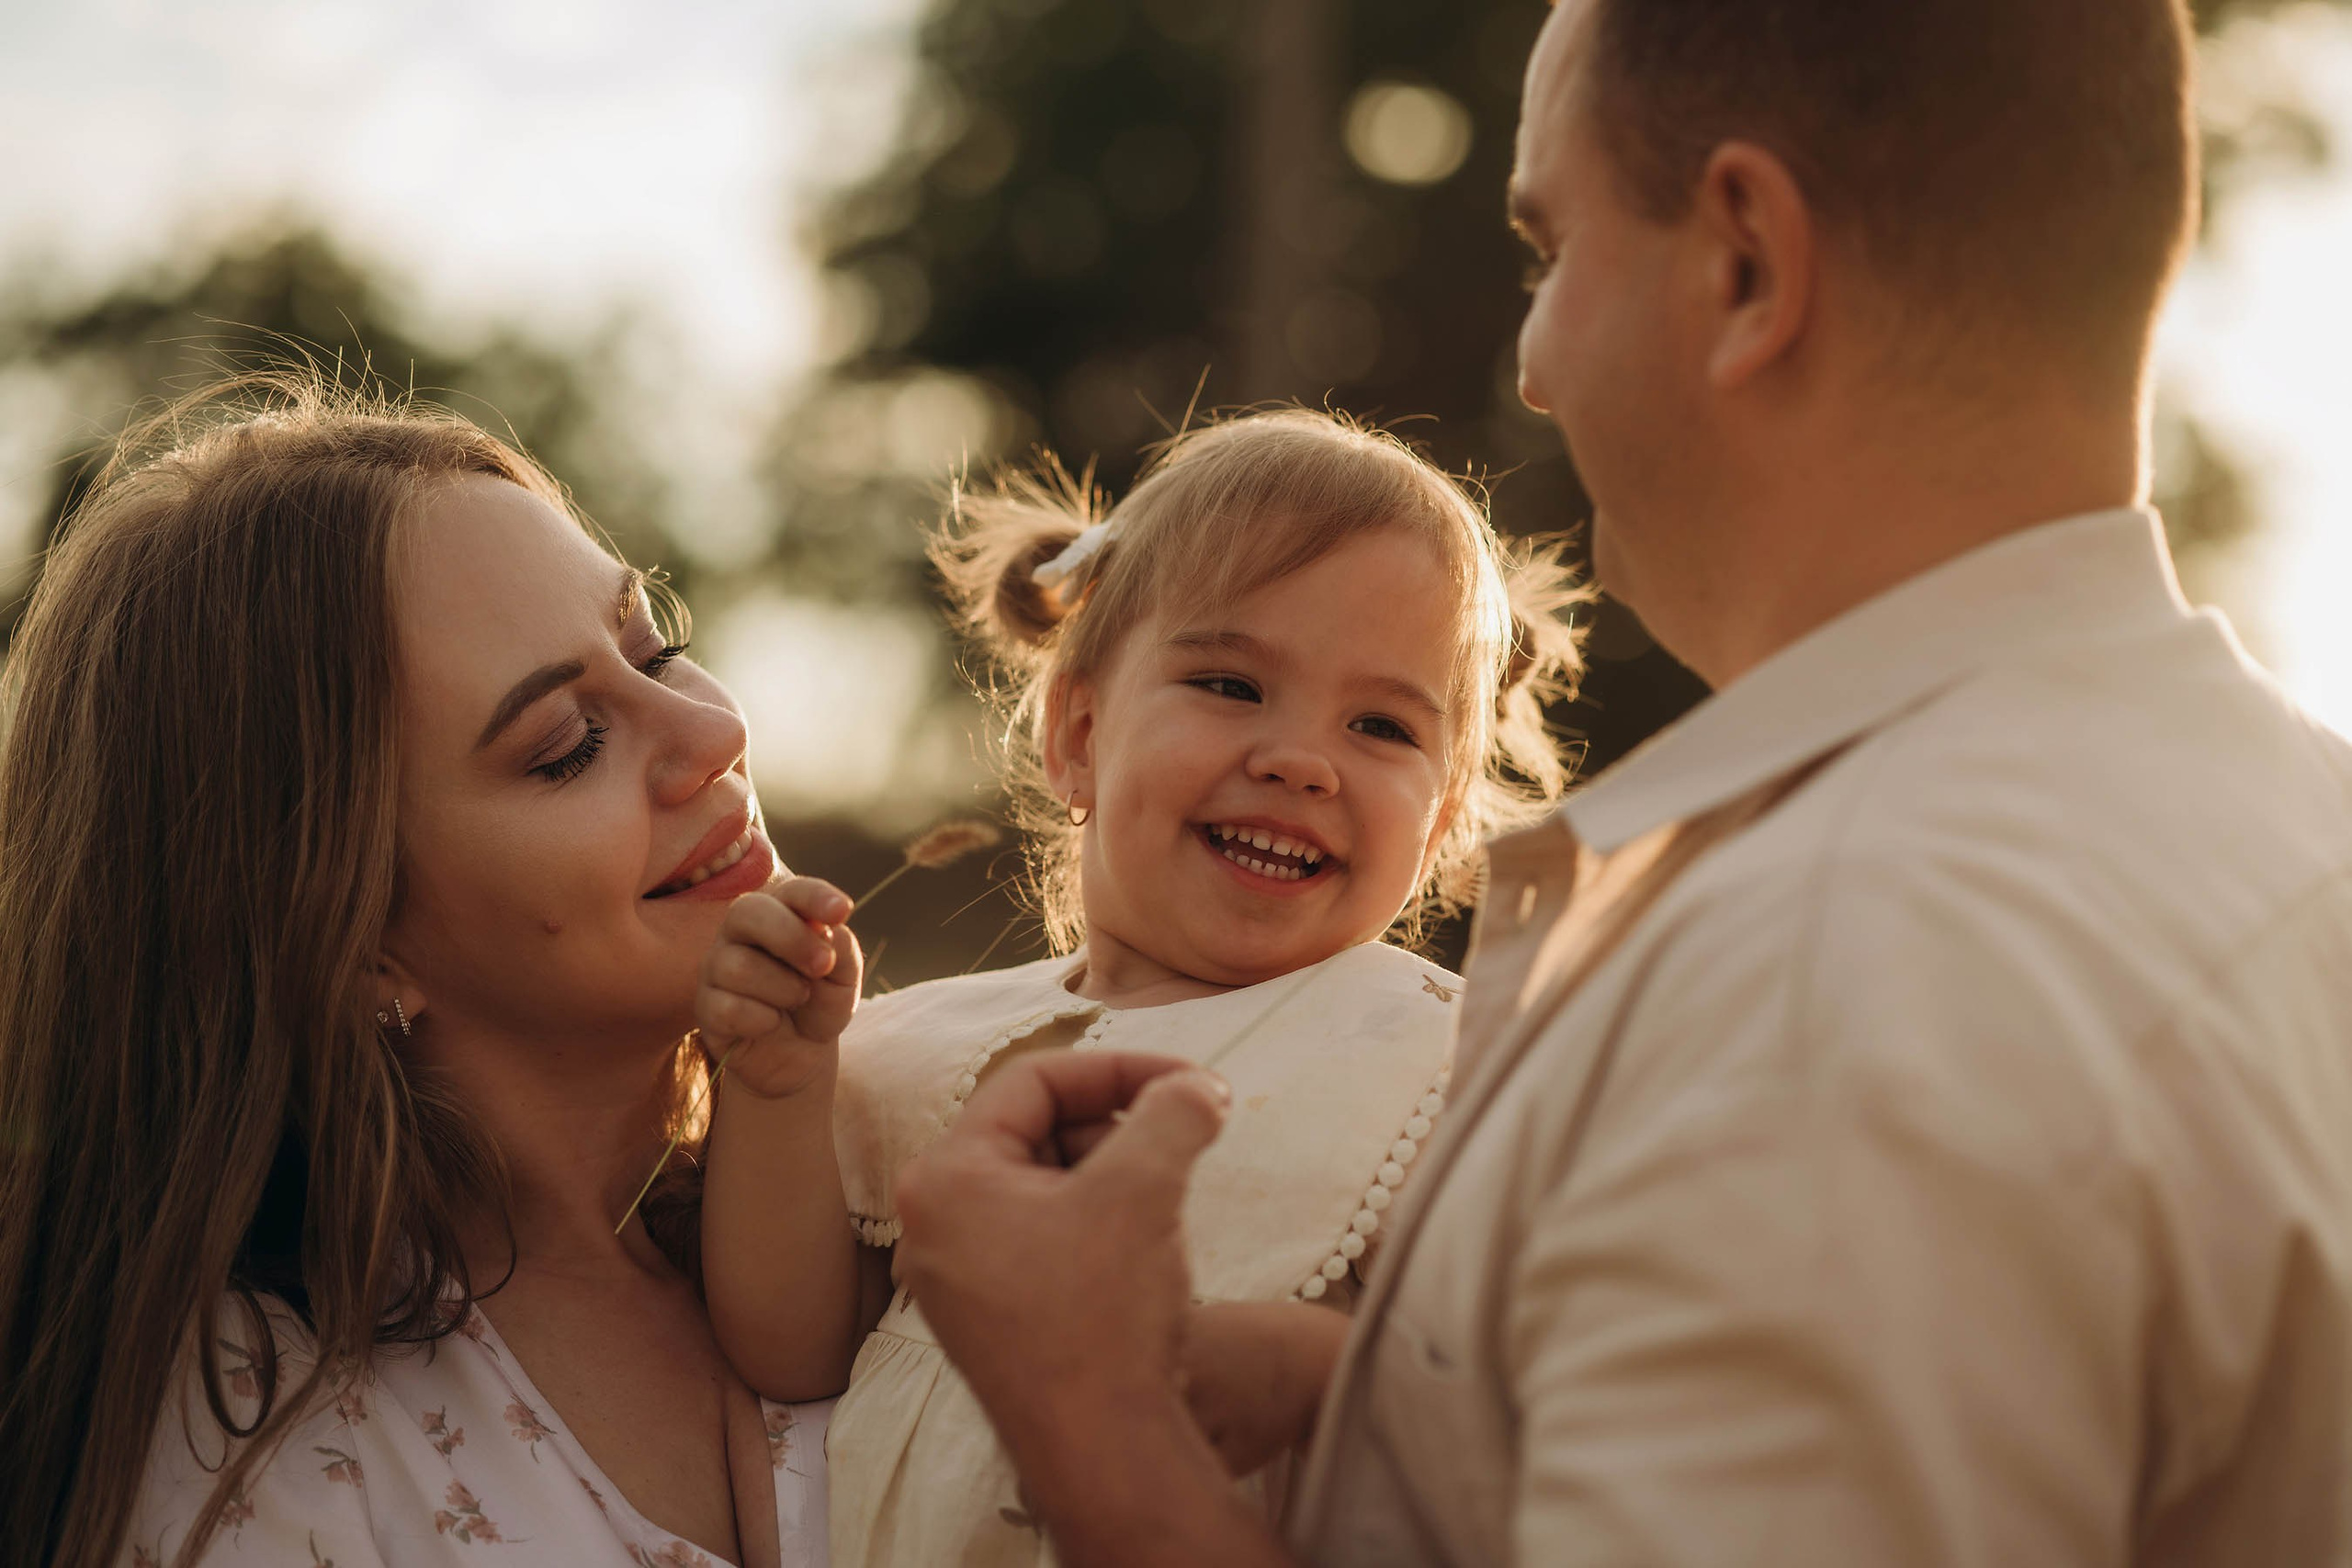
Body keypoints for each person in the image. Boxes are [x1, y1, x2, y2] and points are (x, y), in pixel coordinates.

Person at [883, 0, 2352, 1563]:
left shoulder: (1851, 964)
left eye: (1550, 252)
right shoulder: (2292, 822)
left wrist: (1083, 1408)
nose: (1530, 366)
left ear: (1745, 267)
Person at [687, 410, 1582, 1566]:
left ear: (1446, 816)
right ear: (1077, 730)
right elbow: (790, 1351)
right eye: (1229, 683)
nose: (1301, 759)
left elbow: (1563, 1397)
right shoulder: (933, 1043)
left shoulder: (1434, 1062)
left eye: (1379, 725)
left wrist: (1328, 1370)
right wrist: (775, 1086)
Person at [0, 380, 847, 1568]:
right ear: (351, 944)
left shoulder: (902, 1169)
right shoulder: (254, 1438)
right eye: (567, 746)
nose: (713, 735)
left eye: (659, 646)